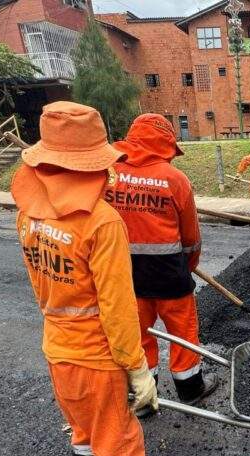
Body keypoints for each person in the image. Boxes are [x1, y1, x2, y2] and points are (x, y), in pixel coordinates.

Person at [12, 101, 194, 456]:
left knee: (84, 426)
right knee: (118, 434)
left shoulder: (30, 215)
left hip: (58, 347)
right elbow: (117, 308)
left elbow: (41, 284)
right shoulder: (101, 222)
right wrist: (137, 370)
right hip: (97, 354)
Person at [106, 113, 218, 412]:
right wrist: (189, 264)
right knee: (182, 331)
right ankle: (190, 388)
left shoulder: (108, 174)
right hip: (169, 274)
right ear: (165, 144)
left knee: (138, 334)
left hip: (125, 275)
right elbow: (191, 236)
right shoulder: (174, 179)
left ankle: (144, 397)